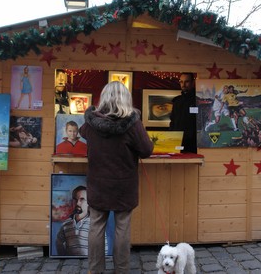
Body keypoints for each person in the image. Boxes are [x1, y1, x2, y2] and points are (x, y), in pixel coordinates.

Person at [79, 81, 153, 274]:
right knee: (122, 227)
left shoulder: (91, 123)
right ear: (125, 98)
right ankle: (121, 270)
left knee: (96, 225)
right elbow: (146, 150)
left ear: (104, 98)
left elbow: (82, 132)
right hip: (124, 185)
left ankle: (95, 270)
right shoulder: (132, 124)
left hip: (98, 184)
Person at [55, 186, 90, 256]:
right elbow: (59, 243)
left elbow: (103, 246)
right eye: (75, 200)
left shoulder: (95, 224)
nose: (77, 203)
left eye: (82, 199)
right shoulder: (65, 224)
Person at [169, 72, 198, 153]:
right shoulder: (177, 101)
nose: (183, 84)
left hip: (193, 143)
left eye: (186, 81)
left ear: (193, 82)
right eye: (181, 82)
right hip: (177, 141)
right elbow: (173, 121)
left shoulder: (198, 100)